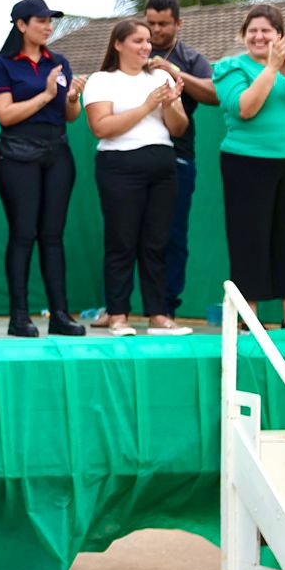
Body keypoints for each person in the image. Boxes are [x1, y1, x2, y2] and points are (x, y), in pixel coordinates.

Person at [214, 3, 285, 328]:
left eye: (266, 31)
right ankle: (249, 316)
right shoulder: (230, 67)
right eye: (253, 31)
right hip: (245, 163)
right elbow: (245, 108)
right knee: (250, 236)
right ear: (244, 35)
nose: (259, 37)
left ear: (281, 37)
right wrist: (271, 69)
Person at [0, 0, 87, 338]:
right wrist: (45, 95)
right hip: (16, 155)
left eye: (50, 21)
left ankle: (59, 314)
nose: (48, 26)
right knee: (23, 233)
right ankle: (19, 316)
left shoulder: (58, 62)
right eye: (41, 20)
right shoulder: (2, 65)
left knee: (53, 236)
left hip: (57, 152)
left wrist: (71, 98)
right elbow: (5, 115)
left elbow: (70, 116)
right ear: (21, 25)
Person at [83, 19, 189, 336]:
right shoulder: (102, 80)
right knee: (122, 241)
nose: (146, 47)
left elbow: (178, 127)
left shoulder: (161, 77)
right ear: (118, 44)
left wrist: (169, 105)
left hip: (162, 166)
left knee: (157, 242)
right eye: (138, 41)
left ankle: (158, 314)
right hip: (119, 166)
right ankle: (118, 314)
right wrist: (147, 105)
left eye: (148, 41)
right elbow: (102, 127)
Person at [141, 0, 218, 320]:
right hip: (133, 153)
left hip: (178, 156)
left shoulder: (189, 57)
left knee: (172, 234)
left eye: (163, 24)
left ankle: (166, 306)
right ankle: (114, 307)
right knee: (126, 232)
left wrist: (174, 71)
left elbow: (214, 94)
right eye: (151, 23)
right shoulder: (133, 48)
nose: (155, 31)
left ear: (178, 23)